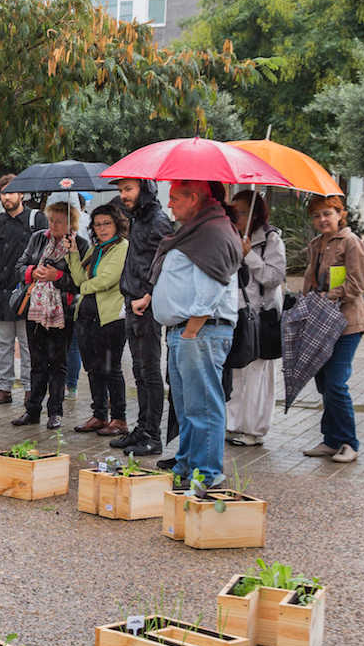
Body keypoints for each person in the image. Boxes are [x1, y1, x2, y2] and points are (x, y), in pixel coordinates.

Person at [133, 179, 241, 486]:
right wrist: (153, 298)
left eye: (175, 198)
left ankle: (207, 475)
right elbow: (183, 276)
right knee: (187, 407)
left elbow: (213, 286)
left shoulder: (212, 232)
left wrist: (192, 330)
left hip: (201, 331)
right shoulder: (198, 229)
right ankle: (187, 466)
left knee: (203, 406)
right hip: (188, 331)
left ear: (194, 198)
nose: (169, 204)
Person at [300, 194, 364, 463]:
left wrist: (328, 296)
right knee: (323, 384)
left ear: (340, 215)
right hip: (319, 323)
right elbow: (311, 282)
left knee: (335, 383)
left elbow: (358, 283)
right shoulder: (315, 245)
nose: (322, 219)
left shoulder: (351, 243)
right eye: (317, 215)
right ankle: (331, 440)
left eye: (327, 214)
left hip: (346, 325)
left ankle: (348, 443)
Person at [12, 199, 88, 428]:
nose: (54, 225)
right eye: (51, 220)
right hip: (34, 307)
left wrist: (57, 276)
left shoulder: (79, 245)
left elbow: (79, 283)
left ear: (71, 223)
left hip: (61, 310)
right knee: (37, 362)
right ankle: (32, 410)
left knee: (58, 363)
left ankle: (55, 412)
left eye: (60, 221)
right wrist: (33, 272)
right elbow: (19, 266)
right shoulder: (38, 239)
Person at [111, 178, 174, 456]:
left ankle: (153, 435)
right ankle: (143, 427)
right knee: (138, 369)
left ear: (144, 189)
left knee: (149, 371)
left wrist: (148, 294)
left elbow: (166, 263)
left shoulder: (158, 220)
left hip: (145, 305)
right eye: (121, 191)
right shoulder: (138, 218)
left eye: (129, 189)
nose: (124, 195)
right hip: (132, 299)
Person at [225, 190, 286, 447]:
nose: (236, 217)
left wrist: (249, 255)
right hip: (234, 313)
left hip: (261, 316)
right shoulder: (230, 237)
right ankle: (233, 424)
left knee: (257, 375)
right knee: (236, 372)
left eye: (240, 211)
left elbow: (273, 277)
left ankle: (254, 428)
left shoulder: (271, 239)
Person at [67, 202, 130, 436]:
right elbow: (79, 277)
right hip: (86, 315)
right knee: (93, 368)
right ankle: (99, 414)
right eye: (97, 225)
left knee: (111, 368)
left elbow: (106, 280)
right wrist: (73, 253)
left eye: (107, 224)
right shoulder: (97, 248)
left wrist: (82, 287)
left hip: (110, 317)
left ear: (117, 224)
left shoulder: (122, 247)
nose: (102, 229)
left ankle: (120, 418)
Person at [0, 173, 45, 405]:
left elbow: (46, 251)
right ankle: (4, 387)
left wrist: (34, 282)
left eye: (11, 191)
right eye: (2, 193)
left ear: (22, 194)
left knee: (29, 343)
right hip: (1, 293)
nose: (6, 197)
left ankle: (31, 387)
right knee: (4, 343)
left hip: (28, 292)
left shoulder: (36, 219)